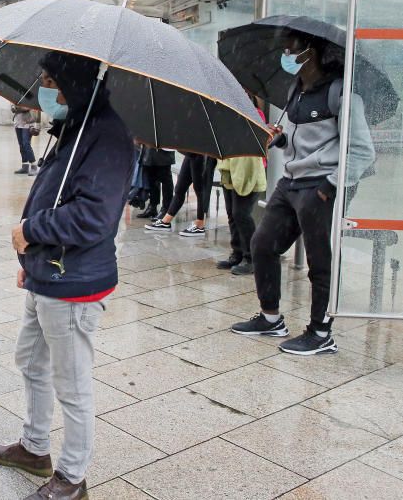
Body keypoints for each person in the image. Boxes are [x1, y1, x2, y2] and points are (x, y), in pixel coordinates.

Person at [0, 53, 134, 500]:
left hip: (75, 281)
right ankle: (34, 448)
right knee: (31, 361)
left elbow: (93, 217)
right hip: (46, 271)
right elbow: (54, 194)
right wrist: (29, 260)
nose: (44, 88)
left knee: (72, 384)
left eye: (51, 79)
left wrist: (31, 232)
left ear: (74, 83)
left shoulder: (106, 137)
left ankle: (72, 478)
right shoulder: (73, 128)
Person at [232, 32, 374, 355]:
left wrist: (330, 185)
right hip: (291, 182)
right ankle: (271, 317)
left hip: (319, 187)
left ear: (312, 52)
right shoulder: (296, 90)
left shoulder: (341, 93)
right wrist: (280, 140)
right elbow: (300, 142)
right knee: (262, 243)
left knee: (319, 259)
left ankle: (321, 333)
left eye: (291, 49)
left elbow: (363, 151)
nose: (286, 54)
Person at [218, 102, 268, 275]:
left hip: (249, 172)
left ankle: (251, 258)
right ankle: (237, 253)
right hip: (230, 169)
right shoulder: (225, 113)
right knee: (232, 214)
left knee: (241, 214)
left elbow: (259, 141)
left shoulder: (255, 114)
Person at [144, 152, 211, 237]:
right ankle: (166, 221)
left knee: (199, 189)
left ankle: (199, 225)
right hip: (191, 152)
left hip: (200, 153)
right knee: (180, 188)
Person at [137, 147, 175, 219]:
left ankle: (166, 209)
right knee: (151, 177)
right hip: (150, 146)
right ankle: (152, 207)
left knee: (165, 177)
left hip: (164, 146)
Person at [11, 104, 40, 176]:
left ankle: (34, 166)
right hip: (18, 123)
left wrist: (17, 108)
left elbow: (27, 108)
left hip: (27, 123)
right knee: (21, 145)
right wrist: (13, 107)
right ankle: (25, 166)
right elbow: (13, 108)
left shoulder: (29, 98)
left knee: (26, 144)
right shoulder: (17, 98)